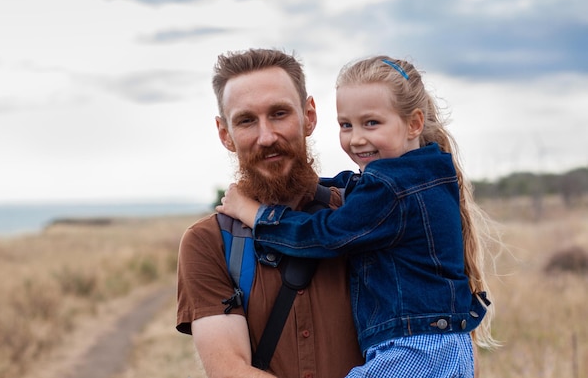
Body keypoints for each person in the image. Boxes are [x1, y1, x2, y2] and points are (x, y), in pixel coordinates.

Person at [217, 55, 498, 377]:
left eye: (371, 123)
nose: (356, 138)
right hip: (439, 345)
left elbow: (325, 235)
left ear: (414, 123)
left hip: (415, 348)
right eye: (346, 125)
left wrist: (254, 213)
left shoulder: (392, 189)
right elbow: (357, 188)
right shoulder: (423, 174)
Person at [175, 48, 364, 378]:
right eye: (246, 120)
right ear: (225, 134)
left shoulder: (365, 216)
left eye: (279, 113)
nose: (266, 137)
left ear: (309, 116)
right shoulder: (211, 243)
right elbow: (232, 370)